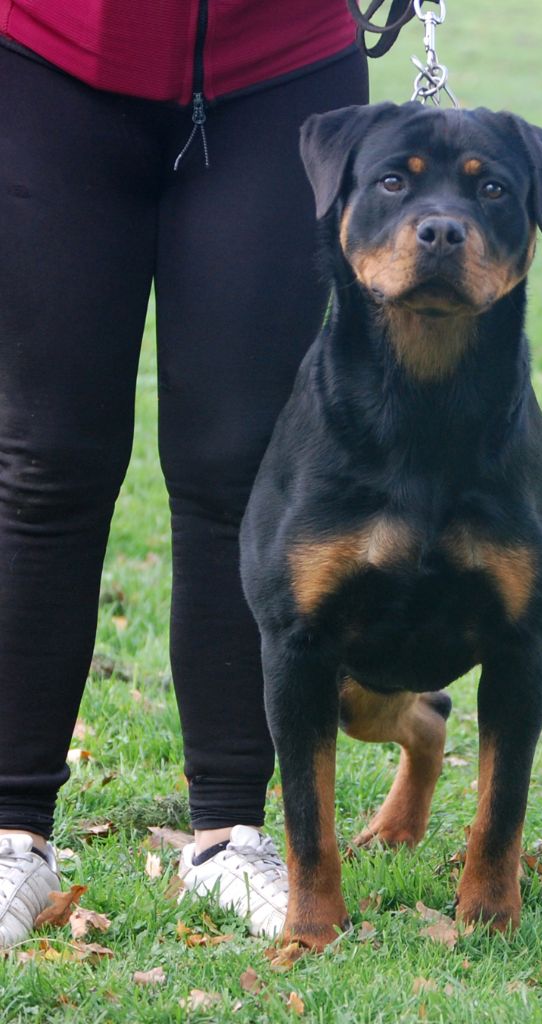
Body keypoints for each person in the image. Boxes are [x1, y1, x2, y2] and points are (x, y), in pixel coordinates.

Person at [0, 0, 369, 946]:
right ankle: (12, 838)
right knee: (45, 463)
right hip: (48, 61)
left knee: (236, 467)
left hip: (280, 72)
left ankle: (229, 834)